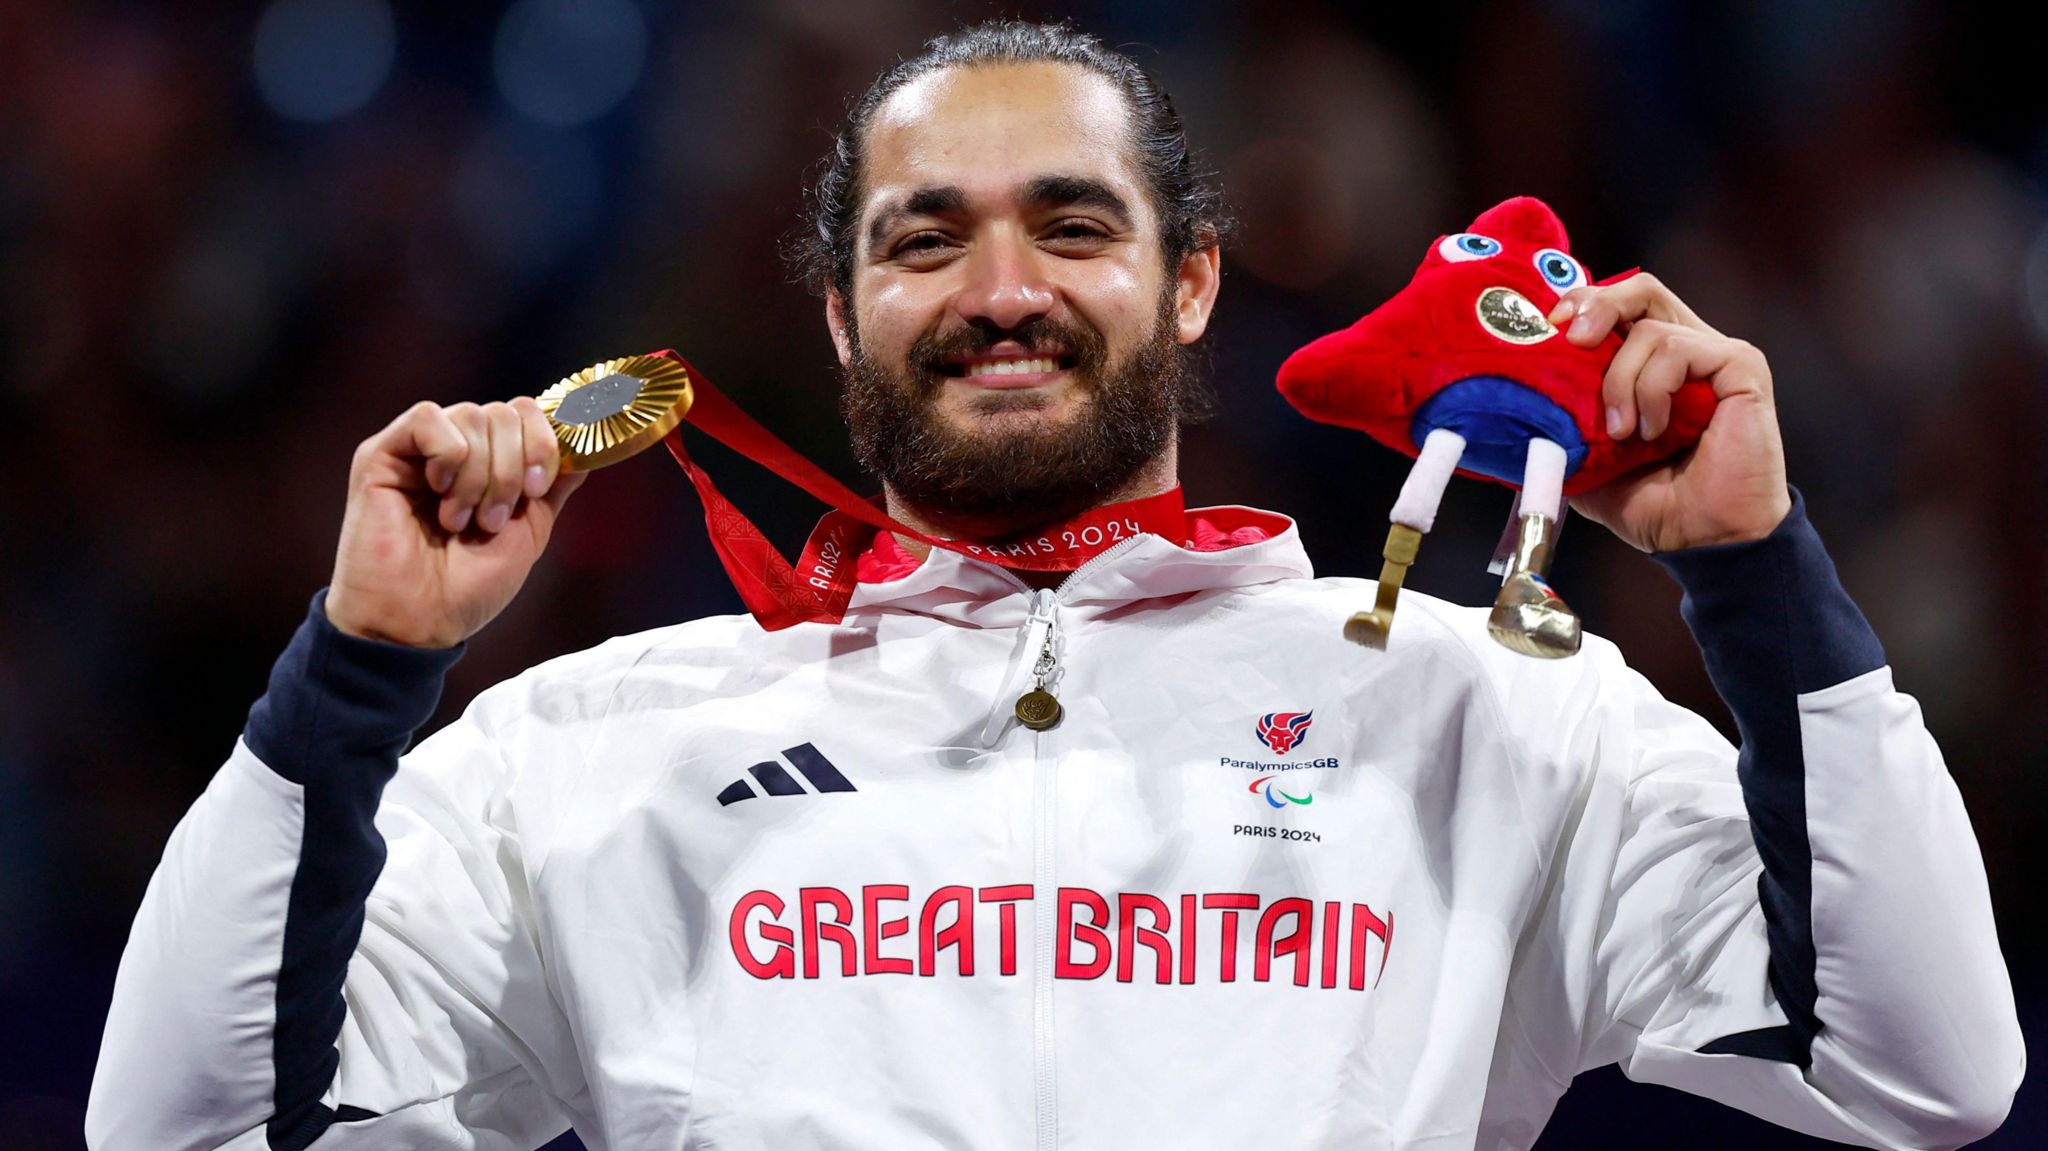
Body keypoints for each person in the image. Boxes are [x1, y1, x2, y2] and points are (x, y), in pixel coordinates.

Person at [89, 20, 2021, 1151]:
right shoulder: (596, 747)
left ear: (1186, 285)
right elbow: (181, 1125)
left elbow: (1924, 1064)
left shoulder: (1480, 709)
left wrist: (1763, 581)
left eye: (1072, 226)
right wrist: (353, 675)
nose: (1003, 290)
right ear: (842, 318)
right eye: (927, 240)